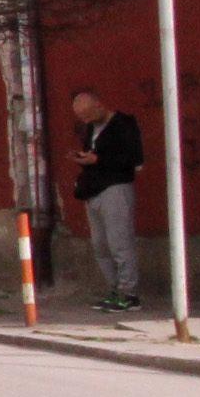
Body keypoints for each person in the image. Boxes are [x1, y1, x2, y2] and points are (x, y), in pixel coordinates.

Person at [68, 87, 143, 312]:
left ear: (100, 105)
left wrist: (98, 159)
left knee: (119, 242)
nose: (86, 120)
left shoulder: (124, 124)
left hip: (116, 187)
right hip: (94, 189)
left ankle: (129, 293)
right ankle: (114, 288)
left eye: (89, 115)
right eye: (82, 117)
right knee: (100, 245)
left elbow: (134, 159)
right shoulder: (92, 129)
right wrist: (84, 159)